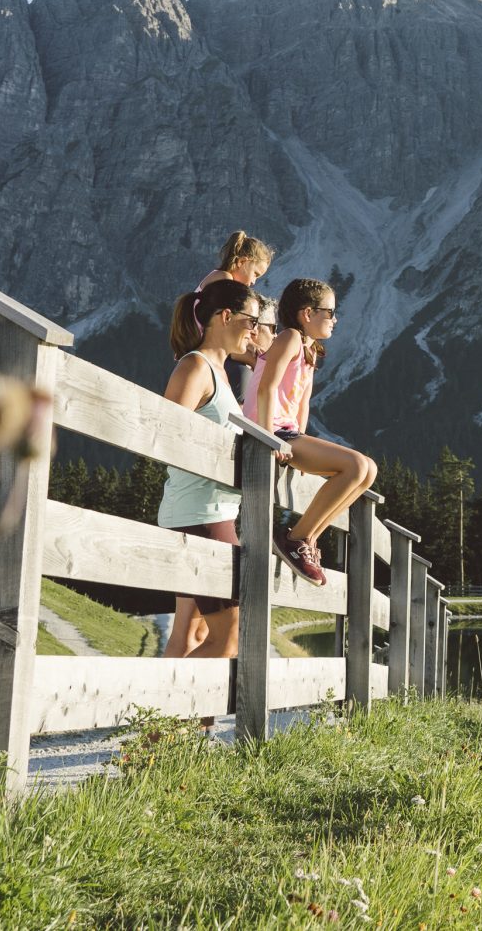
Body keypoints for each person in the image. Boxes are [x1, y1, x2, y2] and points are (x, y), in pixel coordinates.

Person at [155, 279, 284, 658]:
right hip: (201, 516)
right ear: (225, 316)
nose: (256, 331)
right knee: (231, 635)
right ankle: (168, 713)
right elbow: (163, 435)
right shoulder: (195, 367)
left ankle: (176, 719)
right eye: (251, 321)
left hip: (204, 512)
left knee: (189, 634)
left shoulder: (219, 371)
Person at [250, 277, 377, 587]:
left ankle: (309, 539)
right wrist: (268, 438)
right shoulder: (290, 338)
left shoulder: (310, 350)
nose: (335, 319)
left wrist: (303, 445)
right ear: (307, 313)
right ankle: (295, 538)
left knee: (369, 471)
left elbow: (302, 405)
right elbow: (266, 388)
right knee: (357, 465)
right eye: (329, 312)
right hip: (269, 429)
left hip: (288, 433)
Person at [173, 230, 273, 401]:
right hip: (205, 344)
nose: (254, 282)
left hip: (203, 344)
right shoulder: (224, 279)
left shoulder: (218, 275)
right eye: (255, 273)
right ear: (242, 262)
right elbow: (223, 325)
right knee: (256, 364)